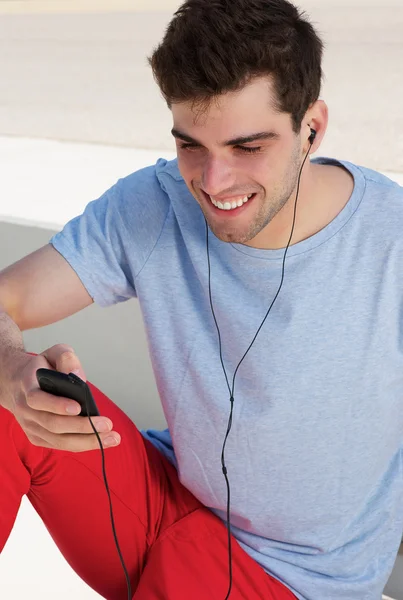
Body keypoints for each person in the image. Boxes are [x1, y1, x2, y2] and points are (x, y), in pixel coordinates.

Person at [0, 0, 402, 598]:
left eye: (247, 147)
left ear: (311, 128)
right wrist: (11, 370)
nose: (213, 184)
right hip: (166, 504)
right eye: (192, 146)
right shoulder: (155, 203)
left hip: (288, 581)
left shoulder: (388, 242)